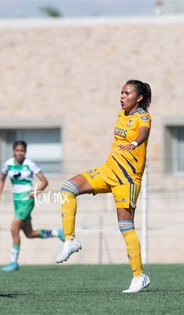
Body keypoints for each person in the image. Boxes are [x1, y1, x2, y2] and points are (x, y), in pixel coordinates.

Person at [57, 80, 152, 293]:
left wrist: (136, 143)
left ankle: (139, 276)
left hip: (127, 179)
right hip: (108, 170)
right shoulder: (121, 114)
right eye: (121, 92)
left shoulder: (143, 116)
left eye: (127, 93)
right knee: (67, 189)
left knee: (126, 227)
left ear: (139, 98)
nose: (122, 96)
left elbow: (143, 132)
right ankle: (70, 240)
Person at [0, 141, 64, 272]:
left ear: (25, 152)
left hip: (27, 199)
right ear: (13, 151)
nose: (20, 153)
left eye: (22, 151)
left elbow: (44, 181)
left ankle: (13, 262)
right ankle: (57, 232)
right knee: (29, 233)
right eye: (17, 150)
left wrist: (36, 192)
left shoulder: (30, 164)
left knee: (14, 228)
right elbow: (2, 179)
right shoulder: (8, 164)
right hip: (16, 201)